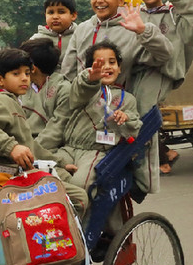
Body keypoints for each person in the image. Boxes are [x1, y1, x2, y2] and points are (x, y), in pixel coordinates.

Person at [60, 0, 173, 197]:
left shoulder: (131, 26)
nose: (99, 1)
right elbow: (68, 72)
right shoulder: (82, 29)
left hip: (118, 112)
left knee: (106, 184)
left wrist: (142, 30)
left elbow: (164, 56)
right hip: (82, 112)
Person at [0, 48, 88, 217]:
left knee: (67, 177)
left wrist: (60, 162)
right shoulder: (2, 100)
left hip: (27, 168)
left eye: (27, 73)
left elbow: (30, 145)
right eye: (16, 74)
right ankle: (68, 241)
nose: (24, 78)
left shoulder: (12, 100)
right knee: (80, 198)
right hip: (17, 176)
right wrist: (11, 147)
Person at [131, 0, 193, 174]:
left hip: (161, 73)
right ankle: (159, 156)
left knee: (142, 116)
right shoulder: (137, 14)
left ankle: (149, 165)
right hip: (136, 75)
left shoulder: (174, 14)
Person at [55, 41, 142, 193]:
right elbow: (79, 89)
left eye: (112, 62)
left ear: (120, 67)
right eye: (100, 63)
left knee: (80, 184)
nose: (107, 67)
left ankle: (80, 214)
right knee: (48, 174)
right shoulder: (86, 90)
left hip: (95, 152)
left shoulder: (127, 98)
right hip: (68, 148)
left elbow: (134, 126)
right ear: (90, 68)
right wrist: (90, 79)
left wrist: (125, 117)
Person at [19, 38, 72, 152]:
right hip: (21, 146)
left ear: (33, 68)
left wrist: (29, 150)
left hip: (50, 150)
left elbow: (57, 130)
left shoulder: (64, 89)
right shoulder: (22, 87)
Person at [30, 0, 78, 70]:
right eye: (51, 12)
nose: (55, 17)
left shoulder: (79, 36)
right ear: (45, 15)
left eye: (61, 12)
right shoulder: (36, 40)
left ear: (73, 15)